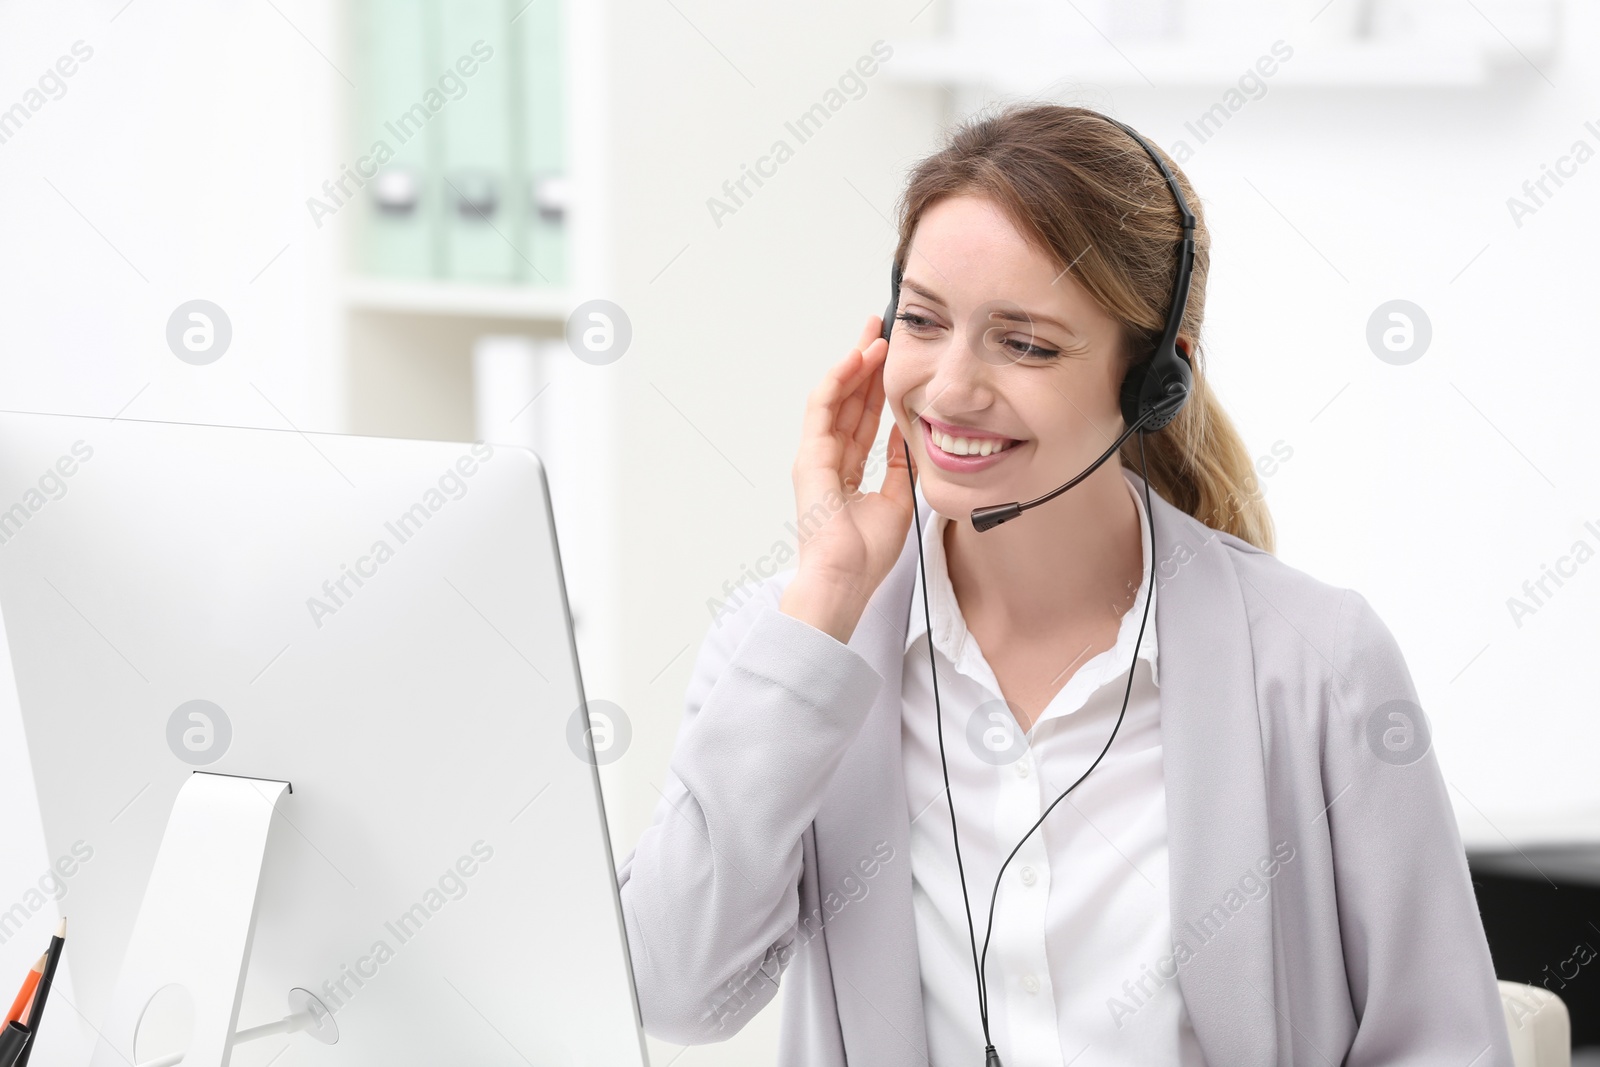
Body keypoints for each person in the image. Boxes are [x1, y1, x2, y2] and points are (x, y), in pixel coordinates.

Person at [616, 103, 1512, 1066]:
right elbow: (674, 991)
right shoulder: (793, 645)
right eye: (922, 321)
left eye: (1026, 343)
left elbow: (1444, 1045)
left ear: (1152, 384)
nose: (951, 389)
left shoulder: (1320, 663)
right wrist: (828, 594)